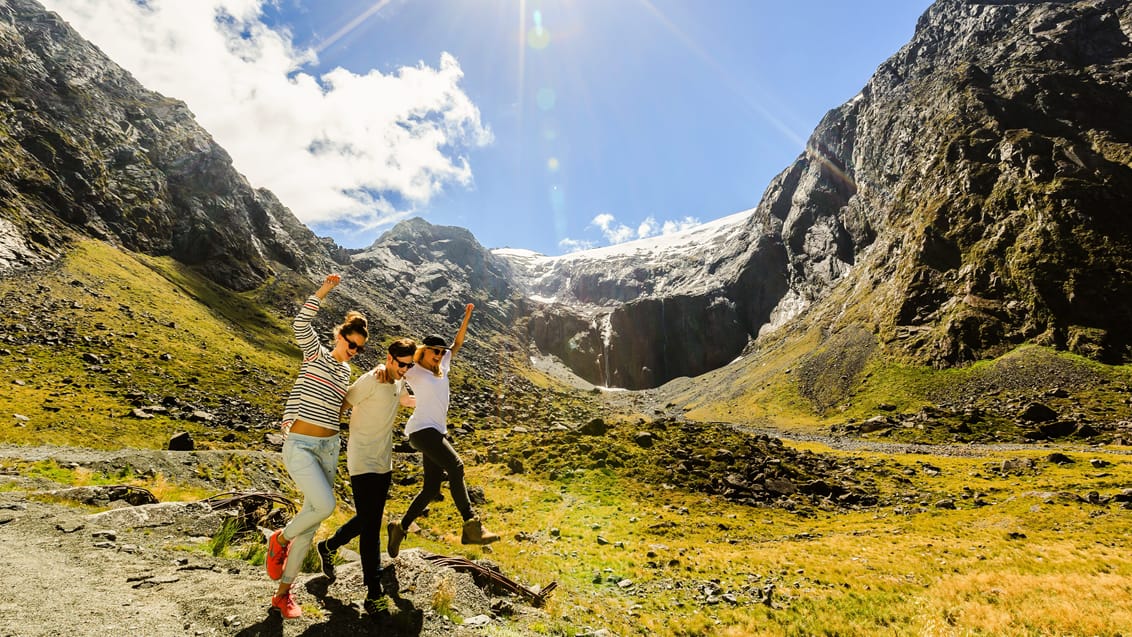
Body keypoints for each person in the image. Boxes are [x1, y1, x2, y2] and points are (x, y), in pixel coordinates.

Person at [265, 274, 367, 620]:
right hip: (301, 445)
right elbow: (300, 321)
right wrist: (324, 291)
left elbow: (346, 404)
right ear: (339, 336)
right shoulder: (315, 354)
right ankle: (279, 539)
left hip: (328, 447)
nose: (353, 351)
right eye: (350, 343)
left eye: (358, 349)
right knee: (325, 504)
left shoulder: (346, 374)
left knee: (310, 526)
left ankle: (283, 594)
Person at [387, 303, 499, 558]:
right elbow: (395, 370)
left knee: (431, 488)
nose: (439, 354)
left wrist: (467, 316)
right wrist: (401, 394)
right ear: (423, 351)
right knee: (457, 467)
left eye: (440, 351)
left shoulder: (443, 366)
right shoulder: (413, 370)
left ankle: (399, 527)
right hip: (421, 431)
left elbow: (456, 344)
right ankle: (471, 525)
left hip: (436, 431)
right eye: (434, 351)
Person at [315, 338, 417, 611]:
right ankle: (374, 592)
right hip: (361, 462)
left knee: (368, 518)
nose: (405, 370)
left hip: (384, 464)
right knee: (371, 528)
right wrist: (322, 440)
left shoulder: (397, 380)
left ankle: (329, 546)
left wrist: (432, 402)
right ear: (389, 357)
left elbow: (405, 400)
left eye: (410, 365)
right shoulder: (372, 378)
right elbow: (343, 403)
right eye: (402, 364)